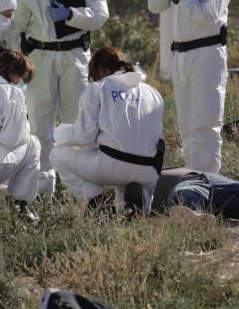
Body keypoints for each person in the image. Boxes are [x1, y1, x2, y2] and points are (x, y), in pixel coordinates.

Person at [7, 0, 109, 196]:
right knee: (40, 124)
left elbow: (100, 13)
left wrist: (71, 14)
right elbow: (16, 26)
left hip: (74, 55)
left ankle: (81, 191)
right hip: (41, 57)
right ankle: (43, 192)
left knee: (77, 123)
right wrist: (19, 58)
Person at [147, 0, 235, 173]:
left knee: (205, 125)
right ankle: (192, 182)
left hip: (207, 54)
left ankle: (208, 185)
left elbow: (209, 16)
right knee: (186, 127)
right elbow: (154, 5)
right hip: (181, 57)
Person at [50, 47, 164, 214]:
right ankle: (136, 202)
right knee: (122, 159)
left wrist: (58, 134)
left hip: (112, 166)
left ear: (99, 69)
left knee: (58, 154)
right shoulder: (153, 93)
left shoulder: (98, 88)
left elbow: (84, 136)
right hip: (149, 171)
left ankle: (95, 203)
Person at [0, 48, 41, 222]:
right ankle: (21, 205)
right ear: (13, 72)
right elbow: (13, 140)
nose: (22, 82)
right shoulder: (11, 92)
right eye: (22, 76)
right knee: (32, 143)